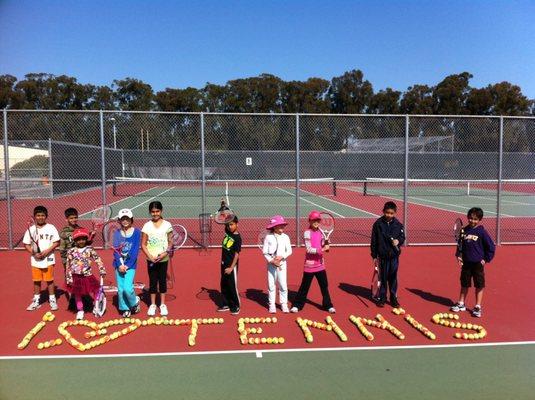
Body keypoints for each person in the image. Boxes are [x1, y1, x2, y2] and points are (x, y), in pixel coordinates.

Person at [451, 207, 495, 318]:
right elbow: (460, 246)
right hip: (466, 263)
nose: (472, 221)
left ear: (479, 220)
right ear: (468, 218)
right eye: (470, 218)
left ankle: (477, 306)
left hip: (477, 264)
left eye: (475, 219)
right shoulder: (464, 231)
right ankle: (461, 303)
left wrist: (486, 259)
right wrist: (459, 256)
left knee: (479, 285)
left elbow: (491, 247)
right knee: (464, 283)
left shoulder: (482, 232)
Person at [291, 211, 335, 313]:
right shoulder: (307, 232)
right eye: (314, 220)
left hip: (320, 265)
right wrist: (322, 249)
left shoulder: (321, 232)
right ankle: (297, 305)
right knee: (304, 287)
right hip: (309, 266)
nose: (316, 222)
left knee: (324, 286)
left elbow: (325, 246)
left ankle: (328, 305)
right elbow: (309, 249)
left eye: (318, 220)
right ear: (310, 221)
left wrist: (327, 243)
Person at [23, 205, 61, 311]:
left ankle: (52, 300)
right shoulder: (31, 229)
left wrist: (47, 251)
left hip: (49, 258)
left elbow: (57, 242)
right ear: (35, 217)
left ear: (46, 216)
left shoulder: (51, 227)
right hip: (35, 260)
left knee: (49, 280)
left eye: (43, 215)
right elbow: (26, 244)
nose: (40, 217)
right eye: (38, 215)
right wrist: (33, 253)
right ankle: (36, 301)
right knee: (36, 280)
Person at [65, 228, 106, 320]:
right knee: (77, 294)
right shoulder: (71, 251)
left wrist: (102, 270)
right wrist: (68, 278)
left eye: (83, 239)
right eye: (78, 239)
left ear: (86, 239)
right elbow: (68, 265)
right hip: (76, 277)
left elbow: (98, 260)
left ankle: (96, 306)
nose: (81, 241)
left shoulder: (90, 250)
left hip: (88, 276)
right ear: (75, 240)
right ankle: (80, 310)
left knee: (96, 290)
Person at [370, 201, 405, 308]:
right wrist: (374, 255)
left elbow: (403, 237)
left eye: (391, 213)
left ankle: (393, 297)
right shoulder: (378, 224)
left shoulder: (398, 225)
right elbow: (374, 240)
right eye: (387, 213)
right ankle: (382, 297)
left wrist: (398, 241)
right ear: (383, 211)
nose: (389, 215)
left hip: (394, 256)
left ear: (395, 213)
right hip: (383, 256)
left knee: (393, 277)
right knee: (383, 277)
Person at [141, 201, 173, 316]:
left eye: (157, 211)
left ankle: (162, 304)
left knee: (162, 281)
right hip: (151, 260)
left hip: (163, 259)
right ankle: (153, 305)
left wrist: (165, 253)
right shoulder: (146, 226)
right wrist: (150, 257)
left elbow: (171, 242)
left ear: (161, 211)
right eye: (153, 212)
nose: (155, 214)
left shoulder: (167, 225)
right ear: (150, 212)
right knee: (153, 282)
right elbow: (143, 244)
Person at [112, 209, 142, 317]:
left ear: (131, 219)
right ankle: (125, 308)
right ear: (119, 220)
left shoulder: (137, 232)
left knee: (127, 288)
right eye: (123, 219)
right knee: (120, 289)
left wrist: (127, 265)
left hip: (131, 266)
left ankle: (134, 302)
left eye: (127, 218)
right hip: (118, 266)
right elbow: (116, 251)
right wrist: (120, 265)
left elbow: (135, 251)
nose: (125, 221)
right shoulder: (116, 233)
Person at [262, 215, 292, 313]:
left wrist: (281, 257)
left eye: (283, 225)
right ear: (274, 227)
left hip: (282, 264)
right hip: (271, 265)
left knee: (283, 285)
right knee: (271, 285)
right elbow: (265, 252)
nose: (282, 227)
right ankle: (272, 305)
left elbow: (289, 251)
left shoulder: (286, 237)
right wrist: (271, 260)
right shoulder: (268, 237)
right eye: (279, 225)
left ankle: (284, 304)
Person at [59, 208, 94, 283]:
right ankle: (72, 294)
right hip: (70, 259)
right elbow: (62, 248)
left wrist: (91, 237)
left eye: (75, 217)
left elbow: (86, 243)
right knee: (70, 278)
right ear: (66, 219)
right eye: (71, 218)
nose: (73, 220)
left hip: (81, 258)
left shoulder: (81, 229)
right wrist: (65, 261)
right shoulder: (64, 232)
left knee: (82, 277)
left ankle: (82, 293)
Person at [217, 215, 242, 315]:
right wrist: (223, 209)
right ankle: (226, 304)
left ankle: (236, 305)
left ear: (237, 224)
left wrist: (231, 267)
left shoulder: (237, 238)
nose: (229, 227)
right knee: (224, 284)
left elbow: (237, 254)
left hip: (231, 266)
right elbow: (224, 220)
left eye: (231, 224)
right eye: (228, 225)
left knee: (232, 286)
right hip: (223, 264)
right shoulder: (227, 232)